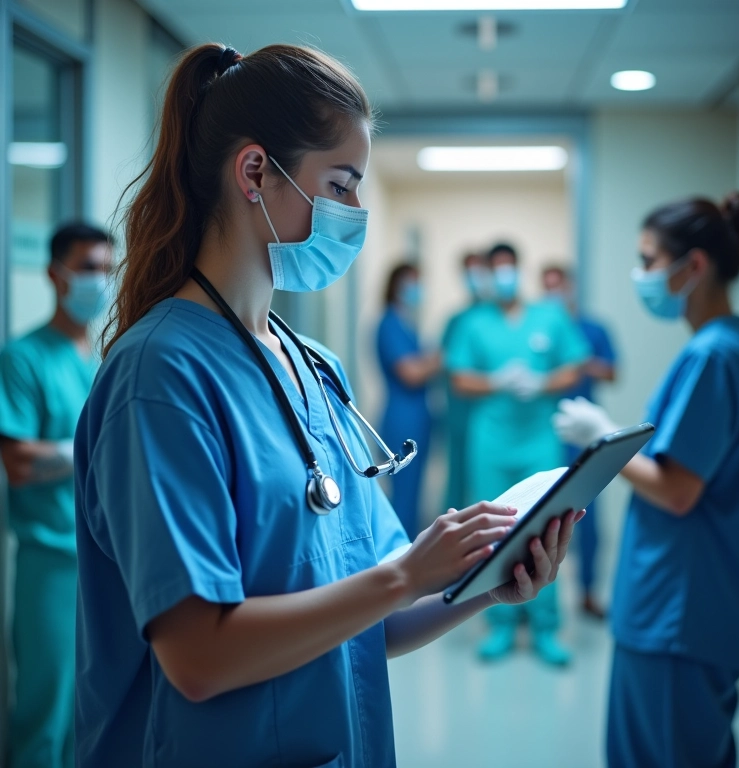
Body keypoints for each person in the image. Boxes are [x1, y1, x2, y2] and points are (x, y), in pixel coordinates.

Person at [72, 44, 582, 768]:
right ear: (255, 172)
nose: (355, 211)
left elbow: (375, 616)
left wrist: (484, 584)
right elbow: (198, 656)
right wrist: (406, 574)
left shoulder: (315, 367)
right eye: (341, 185)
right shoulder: (161, 377)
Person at [554, 192, 739, 768]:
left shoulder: (714, 358)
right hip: (694, 605)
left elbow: (677, 490)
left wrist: (603, 437)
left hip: (681, 611)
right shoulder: (726, 349)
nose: (640, 275)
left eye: (648, 261)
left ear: (693, 267)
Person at [0, 223, 112, 768]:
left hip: (108, 562)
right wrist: (88, 448)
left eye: (107, 270)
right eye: (88, 267)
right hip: (52, 563)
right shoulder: (23, 358)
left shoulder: (109, 359)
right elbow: (18, 463)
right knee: (45, 719)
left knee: (95, 718)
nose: (99, 281)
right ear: (54, 273)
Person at [448, 243, 589, 666]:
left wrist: (543, 382)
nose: (505, 274)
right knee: (494, 532)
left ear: (519, 270)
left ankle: (546, 626)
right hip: (490, 441)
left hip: (538, 441)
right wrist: (496, 382)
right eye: (498, 269)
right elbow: (458, 379)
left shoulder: (549, 316)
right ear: (490, 274)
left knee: (549, 527)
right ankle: (500, 625)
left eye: (511, 266)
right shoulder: (473, 322)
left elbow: (575, 365)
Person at [542, 265, 617, 619]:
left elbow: (612, 371)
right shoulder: (541, 329)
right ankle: (537, 601)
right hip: (548, 433)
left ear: (571, 287)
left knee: (589, 516)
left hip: (586, 436)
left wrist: (580, 362)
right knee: (543, 515)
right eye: (547, 289)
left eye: (558, 287)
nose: (554, 295)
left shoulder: (593, 329)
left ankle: (587, 592)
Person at [376, 263, 441, 539]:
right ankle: (398, 558)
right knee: (403, 496)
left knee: (414, 495)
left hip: (419, 417)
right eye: (411, 282)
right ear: (396, 286)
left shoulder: (408, 325)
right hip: (402, 419)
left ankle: (411, 554)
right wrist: (442, 358)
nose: (417, 289)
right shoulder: (389, 324)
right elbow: (410, 374)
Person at [441, 252, 494, 511]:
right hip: (460, 414)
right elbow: (448, 369)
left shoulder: (498, 316)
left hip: (494, 416)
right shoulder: (456, 320)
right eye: (468, 271)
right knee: (458, 480)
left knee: (491, 483)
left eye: (479, 270)